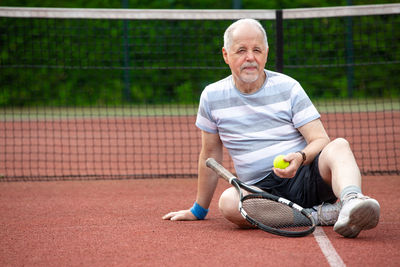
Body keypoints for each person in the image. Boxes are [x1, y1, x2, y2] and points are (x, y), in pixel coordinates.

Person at [162, 18, 380, 238]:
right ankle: (319, 216)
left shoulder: (289, 87)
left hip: (306, 175)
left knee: (339, 145)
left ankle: (353, 202)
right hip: (261, 192)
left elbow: (320, 140)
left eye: (257, 49)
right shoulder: (211, 96)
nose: (250, 57)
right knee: (229, 203)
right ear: (226, 55)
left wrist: (300, 157)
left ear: (266, 53)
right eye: (241, 50)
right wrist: (198, 210)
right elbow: (209, 155)